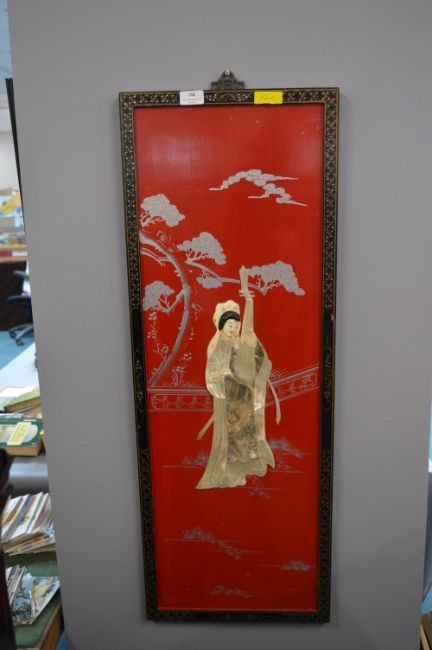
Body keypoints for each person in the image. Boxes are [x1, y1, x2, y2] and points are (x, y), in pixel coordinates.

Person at [196, 267, 280, 490]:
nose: (233, 329)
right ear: (221, 326)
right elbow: (213, 370)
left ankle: (248, 465)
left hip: (243, 400)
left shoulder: (238, 341)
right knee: (233, 436)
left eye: (236, 325)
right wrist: (226, 377)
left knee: (248, 431)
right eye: (229, 326)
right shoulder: (217, 344)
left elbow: (250, 338)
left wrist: (249, 302)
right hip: (230, 396)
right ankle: (230, 472)